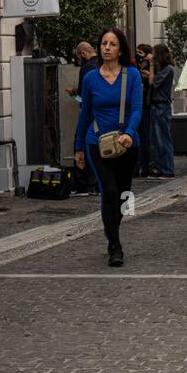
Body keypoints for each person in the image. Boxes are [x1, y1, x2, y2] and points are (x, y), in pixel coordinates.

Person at [74, 28, 143, 267]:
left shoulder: (132, 75)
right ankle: (114, 245)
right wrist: (79, 146)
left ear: (121, 49)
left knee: (125, 193)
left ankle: (113, 226)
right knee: (109, 191)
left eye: (112, 44)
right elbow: (84, 114)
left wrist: (129, 134)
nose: (107, 48)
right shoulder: (91, 78)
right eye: (104, 43)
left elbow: (137, 109)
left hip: (127, 143)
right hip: (98, 143)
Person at [67, 42, 98, 196]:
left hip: (88, 112)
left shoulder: (86, 68)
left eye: (79, 57)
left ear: (83, 54)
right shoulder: (103, 63)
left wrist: (73, 93)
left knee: (80, 146)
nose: (79, 60)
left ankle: (82, 185)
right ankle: (97, 185)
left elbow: (82, 94)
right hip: (101, 114)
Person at [150, 44, 177, 178]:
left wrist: (150, 66)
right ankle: (161, 168)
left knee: (163, 139)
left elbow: (152, 82)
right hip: (157, 106)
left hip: (162, 106)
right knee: (157, 140)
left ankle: (167, 169)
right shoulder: (163, 69)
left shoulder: (168, 69)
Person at [135, 43, 155, 177]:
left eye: (140, 52)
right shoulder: (134, 67)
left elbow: (153, 83)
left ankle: (146, 166)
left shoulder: (152, 67)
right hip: (137, 104)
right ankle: (136, 167)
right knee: (137, 136)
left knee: (146, 137)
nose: (138, 55)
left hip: (147, 105)